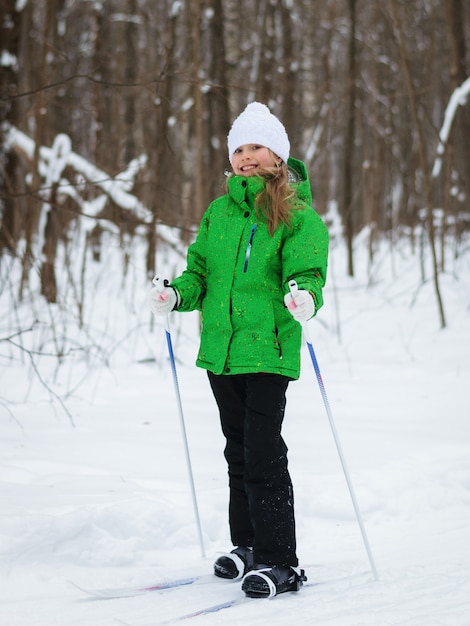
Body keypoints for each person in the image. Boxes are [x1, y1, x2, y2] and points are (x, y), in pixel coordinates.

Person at [150, 102, 329, 598]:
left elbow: (308, 271)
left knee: (264, 452)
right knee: (237, 453)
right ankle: (247, 546)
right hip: (222, 352)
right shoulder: (219, 212)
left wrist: (304, 297)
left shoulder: (297, 215)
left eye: (255, 147)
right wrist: (177, 294)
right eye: (239, 149)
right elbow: (201, 272)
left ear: (277, 154)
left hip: (268, 351)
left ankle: (281, 560)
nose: (246, 156)